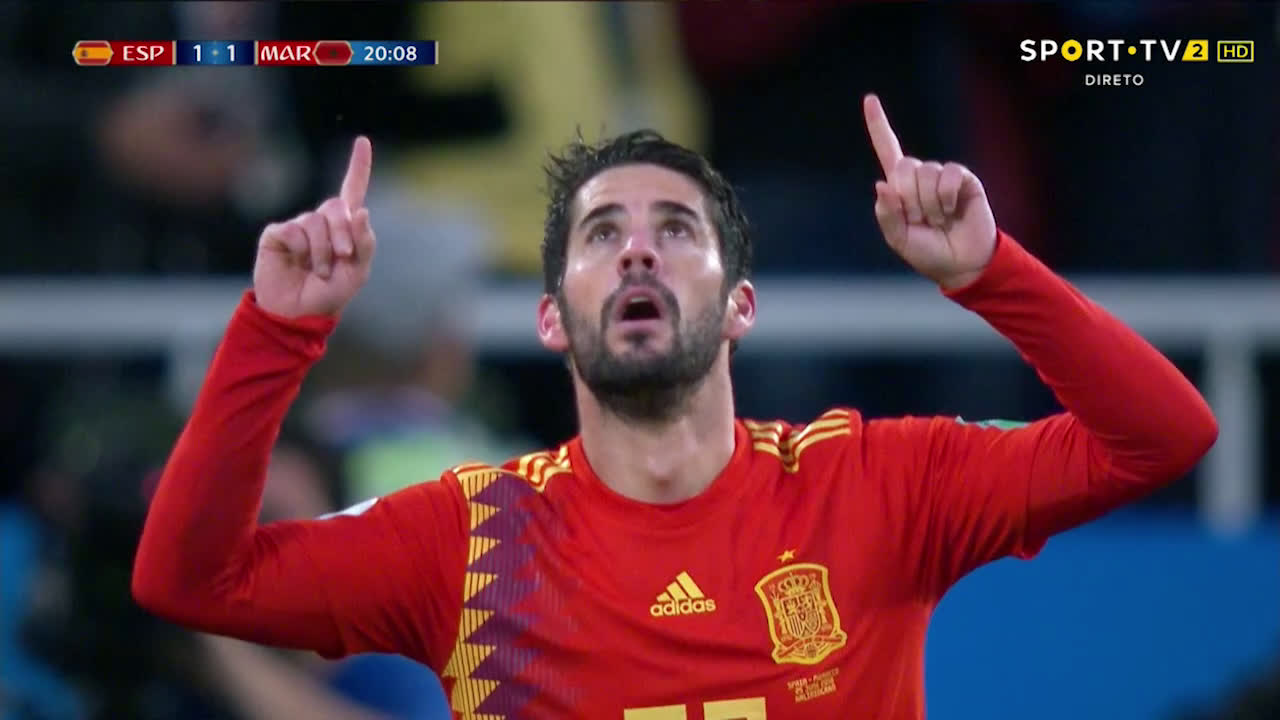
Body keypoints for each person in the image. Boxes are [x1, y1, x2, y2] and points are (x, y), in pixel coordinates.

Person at [133, 95, 1219, 718]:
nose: (638, 250)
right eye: (601, 235)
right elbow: (188, 582)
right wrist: (278, 330)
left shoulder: (875, 482)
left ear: (739, 304)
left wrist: (988, 272)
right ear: (553, 318)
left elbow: (1162, 437)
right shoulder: (470, 537)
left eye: (677, 230)